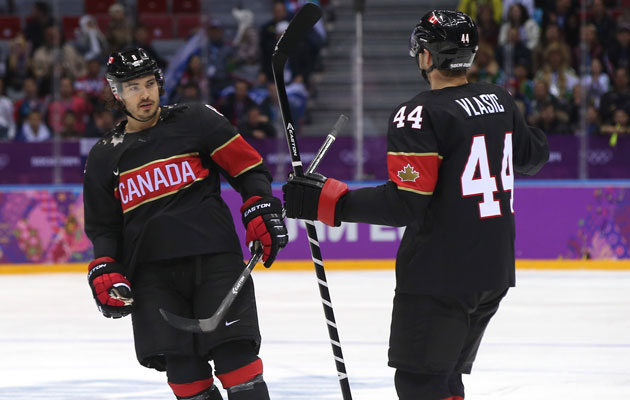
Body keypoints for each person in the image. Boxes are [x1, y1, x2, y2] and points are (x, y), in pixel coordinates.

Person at [283, 10, 549, 400]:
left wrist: (330, 201)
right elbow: (534, 156)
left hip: (440, 274)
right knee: (445, 377)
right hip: (492, 271)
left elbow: (404, 205)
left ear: (426, 57)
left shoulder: (419, 115)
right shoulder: (499, 99)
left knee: (419, 382)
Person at [83, 48, 288, 400]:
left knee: (236, 360)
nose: (144, 94)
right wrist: (105, 265)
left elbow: (248, 169)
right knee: (185, 375)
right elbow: (104, 227)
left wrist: (258, 205)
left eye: (150, 84)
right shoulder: (104, 155)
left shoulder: (196, 120)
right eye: (132, 87)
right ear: (116, 93)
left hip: (214, 261)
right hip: (151, 278)